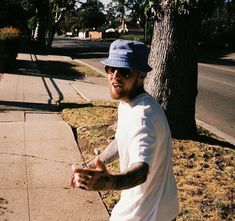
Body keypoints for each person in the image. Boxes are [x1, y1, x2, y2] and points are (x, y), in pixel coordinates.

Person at [69, 39, 179, 221]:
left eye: (125, 71)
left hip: (145, 215)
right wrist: (92, 164)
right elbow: (122, 140)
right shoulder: (129, 102)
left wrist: (110, 182)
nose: (115, 76)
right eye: (111, 69)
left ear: (142, 75)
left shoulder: (143, 117)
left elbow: (141, 171)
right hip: (158, 208)